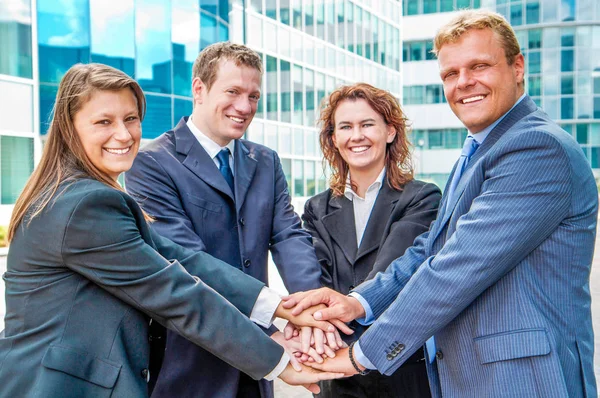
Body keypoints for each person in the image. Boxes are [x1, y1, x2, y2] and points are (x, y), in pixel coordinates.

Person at [283, 9, 598, 398]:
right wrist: (357, 303)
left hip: (520, 381)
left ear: (517, 67)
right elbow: (430, 251)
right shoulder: (479, 153)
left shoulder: (535, 148)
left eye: (479, 66)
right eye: (451, 74)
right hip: (470, 378)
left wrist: (360, 354)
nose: (464, 83)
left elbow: (456, 268)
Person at [0, 63, 344, 397]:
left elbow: (182, 261)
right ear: (69, 127)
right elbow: (175, 293)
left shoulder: (86, 195)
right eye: (104, 121)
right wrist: (279, 361)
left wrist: (285, 308)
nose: (124, 134)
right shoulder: (85, 205)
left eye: (131, 119)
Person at [124, 42, 339, 398]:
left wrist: (313, 308)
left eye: (253, 96)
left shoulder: (265, 161)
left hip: (255, 380)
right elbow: (186, 259)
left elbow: (287, 234)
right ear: (199, 89)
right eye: (233, 92)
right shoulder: (151, 164)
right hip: (193, 362)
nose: (245, 107)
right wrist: (272, 331)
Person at [302, 83, 441, 397]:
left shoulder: (421, 198)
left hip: (401, 368)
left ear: (390, 132)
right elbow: (316, 284)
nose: (357, 136)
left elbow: (392, 275)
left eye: (367, 124)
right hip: (337, 375)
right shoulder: (316, 208)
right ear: (334, 138)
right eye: (346, 127)